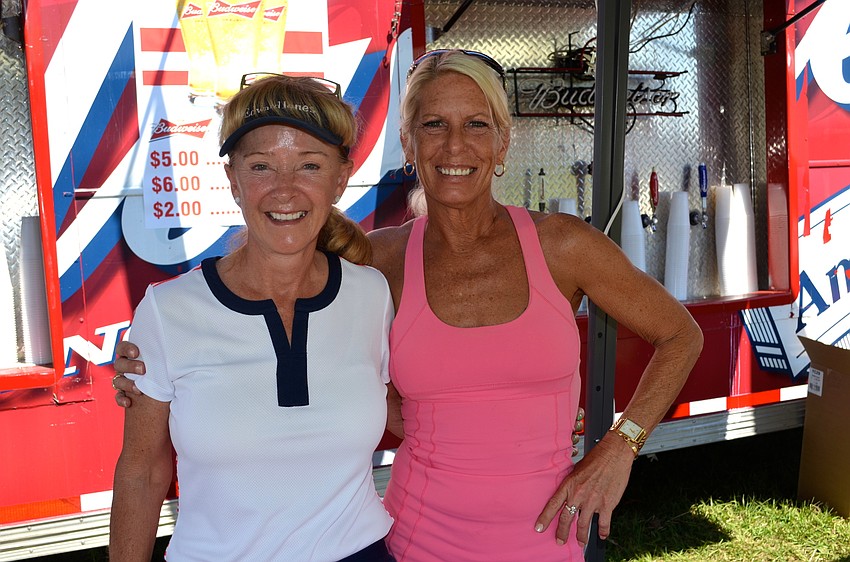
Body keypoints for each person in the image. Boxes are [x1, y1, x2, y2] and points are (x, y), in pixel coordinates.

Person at [114, 50, 703, 561]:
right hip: (416, 538)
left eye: (476, 124)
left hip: (545, 536)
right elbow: (288, 270)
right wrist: (158, 361)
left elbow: (681, 335)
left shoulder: (564, 245)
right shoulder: (381, 263)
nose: (454, 146)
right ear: (408, 144)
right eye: (433, 125)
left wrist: (619, 445)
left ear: (502, 141)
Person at [109, 74, 396, 562]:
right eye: (262, 166)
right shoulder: (169, 311)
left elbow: (409, 410)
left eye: (310, 165)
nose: (284, 191)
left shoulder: (370, 294)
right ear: (233, 181)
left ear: (341, 179)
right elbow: (143, 472)